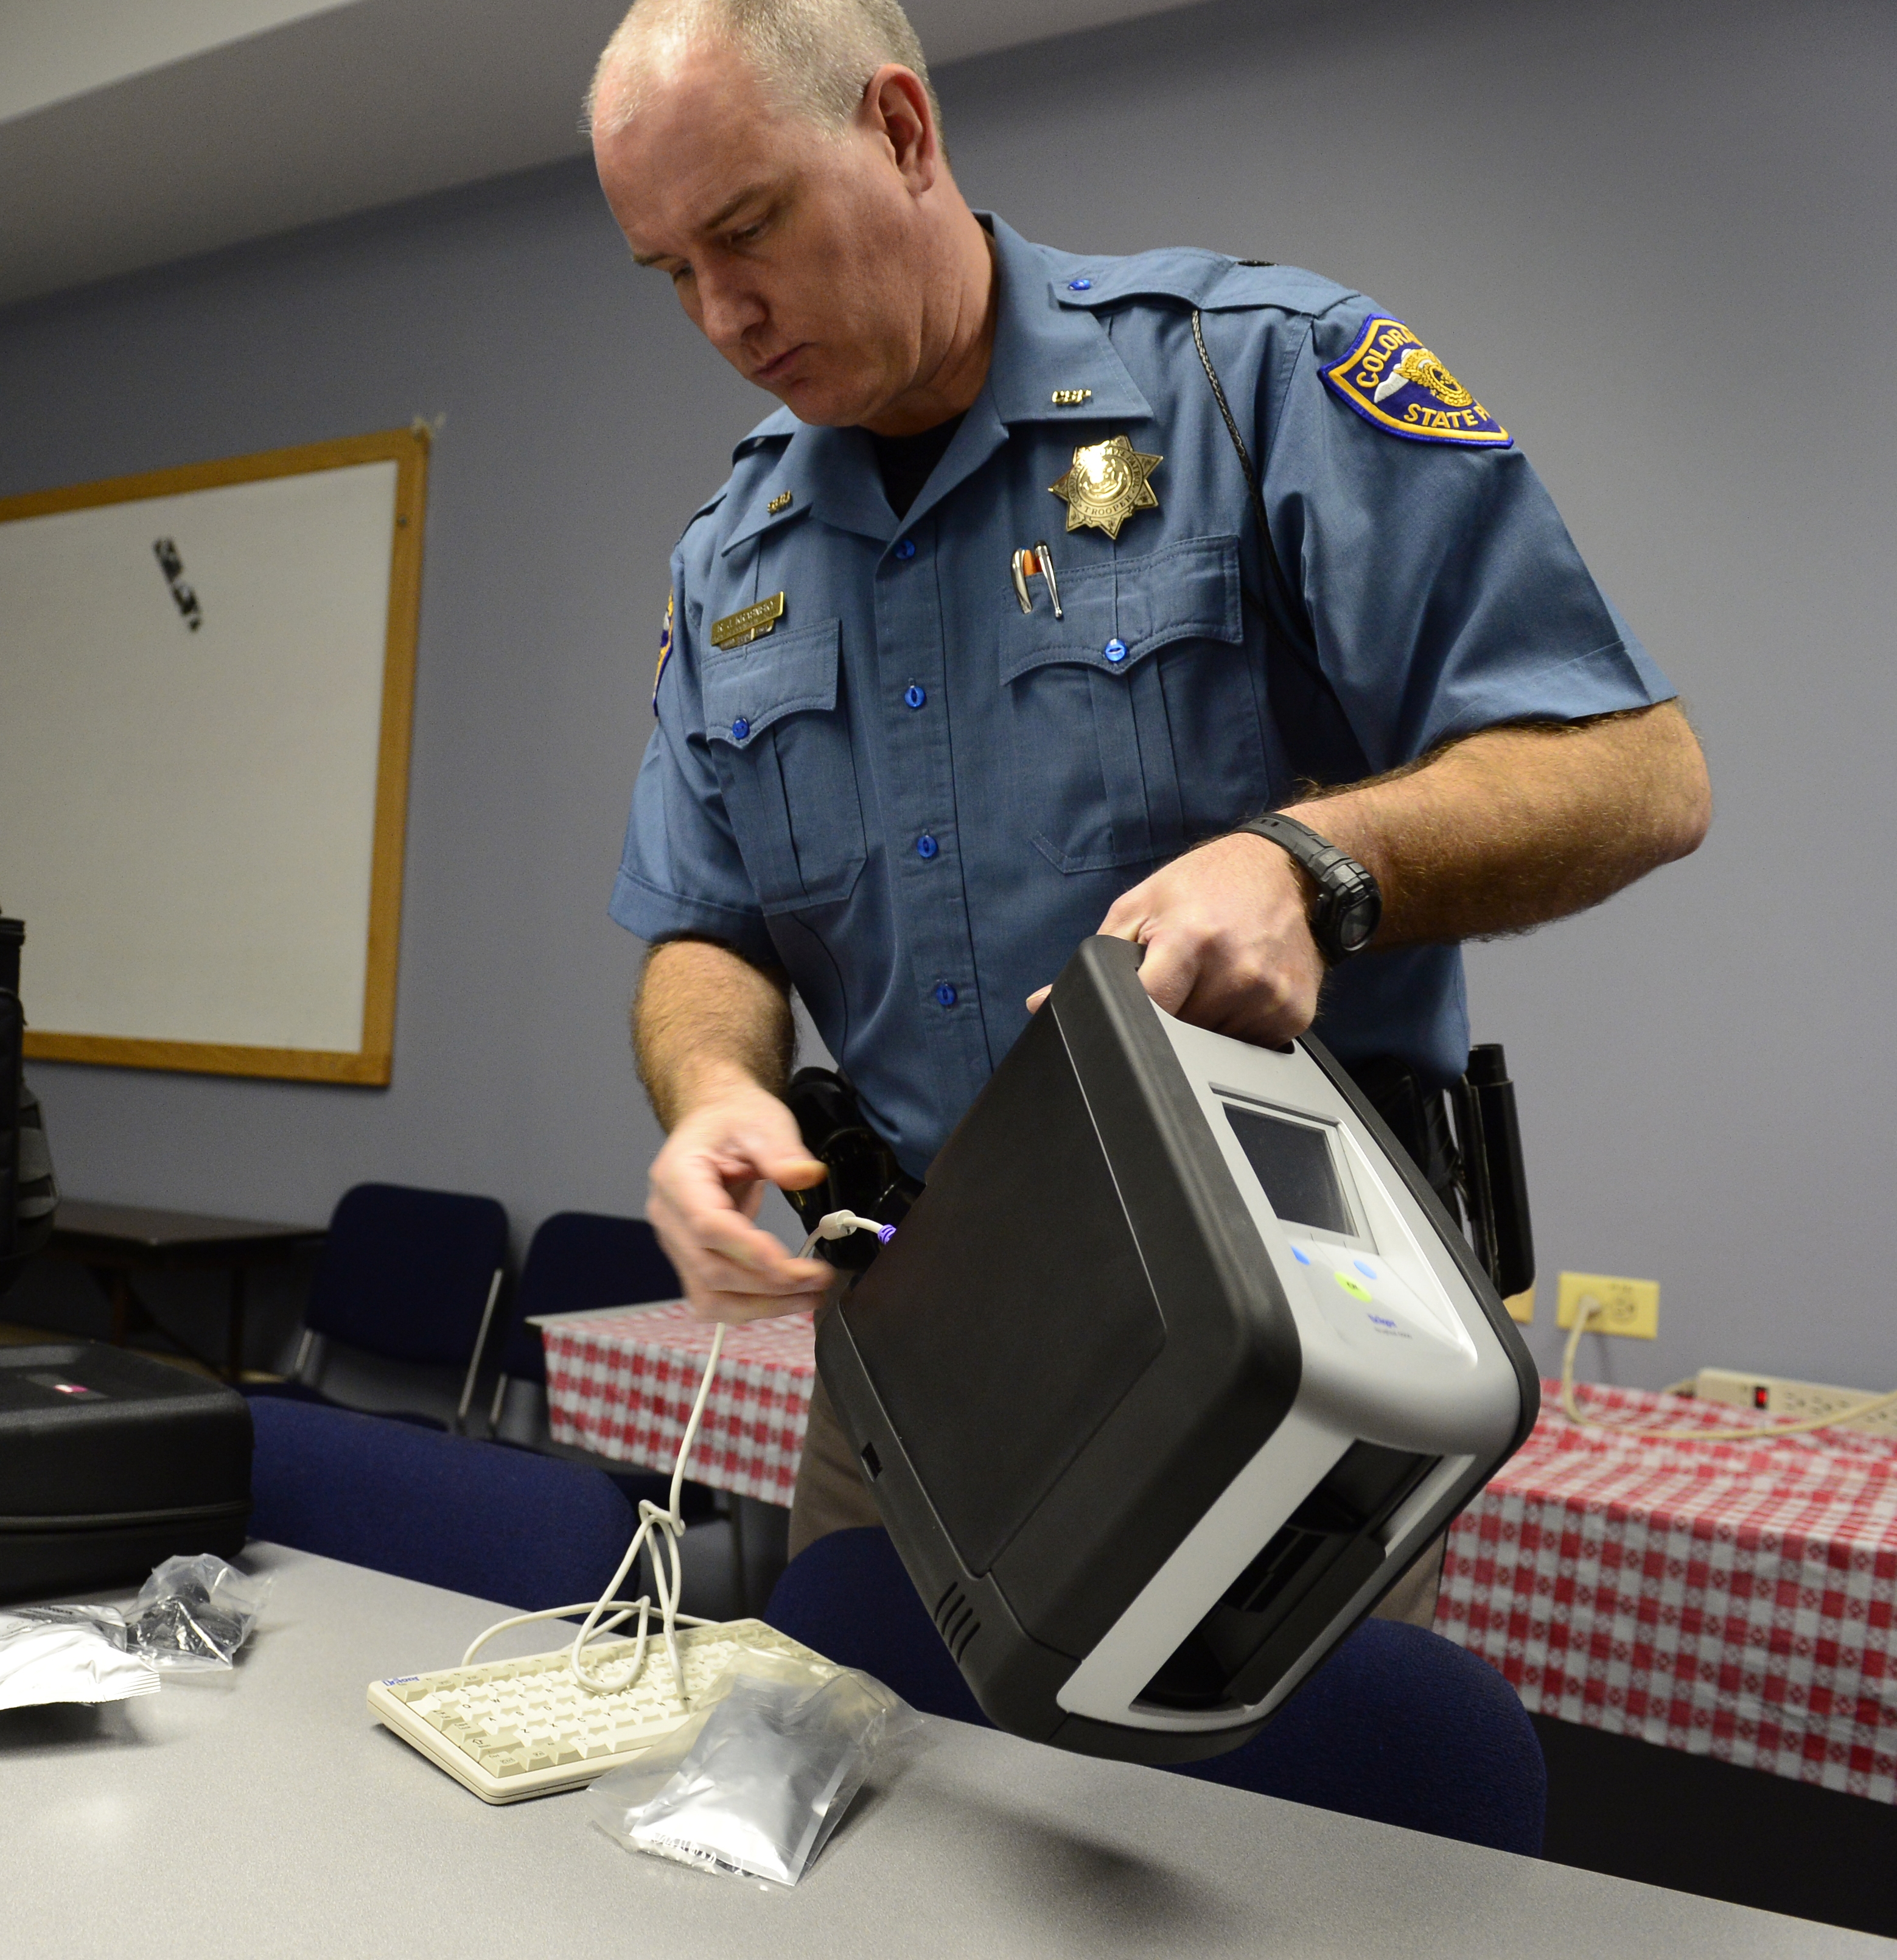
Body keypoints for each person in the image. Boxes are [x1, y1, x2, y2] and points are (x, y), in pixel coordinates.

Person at [590, 0, 1712, 1603]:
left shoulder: (1251, 382)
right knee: (871, 1828)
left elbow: (1640, 772)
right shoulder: (733, 557)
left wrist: (1311, 867)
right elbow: (704, 925)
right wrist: (711, 1087)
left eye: (746, 229)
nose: (721, 311)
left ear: (901, 131)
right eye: (671, 273)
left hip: (1280, 1343)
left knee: (1279, 1849)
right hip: (916, 1354)